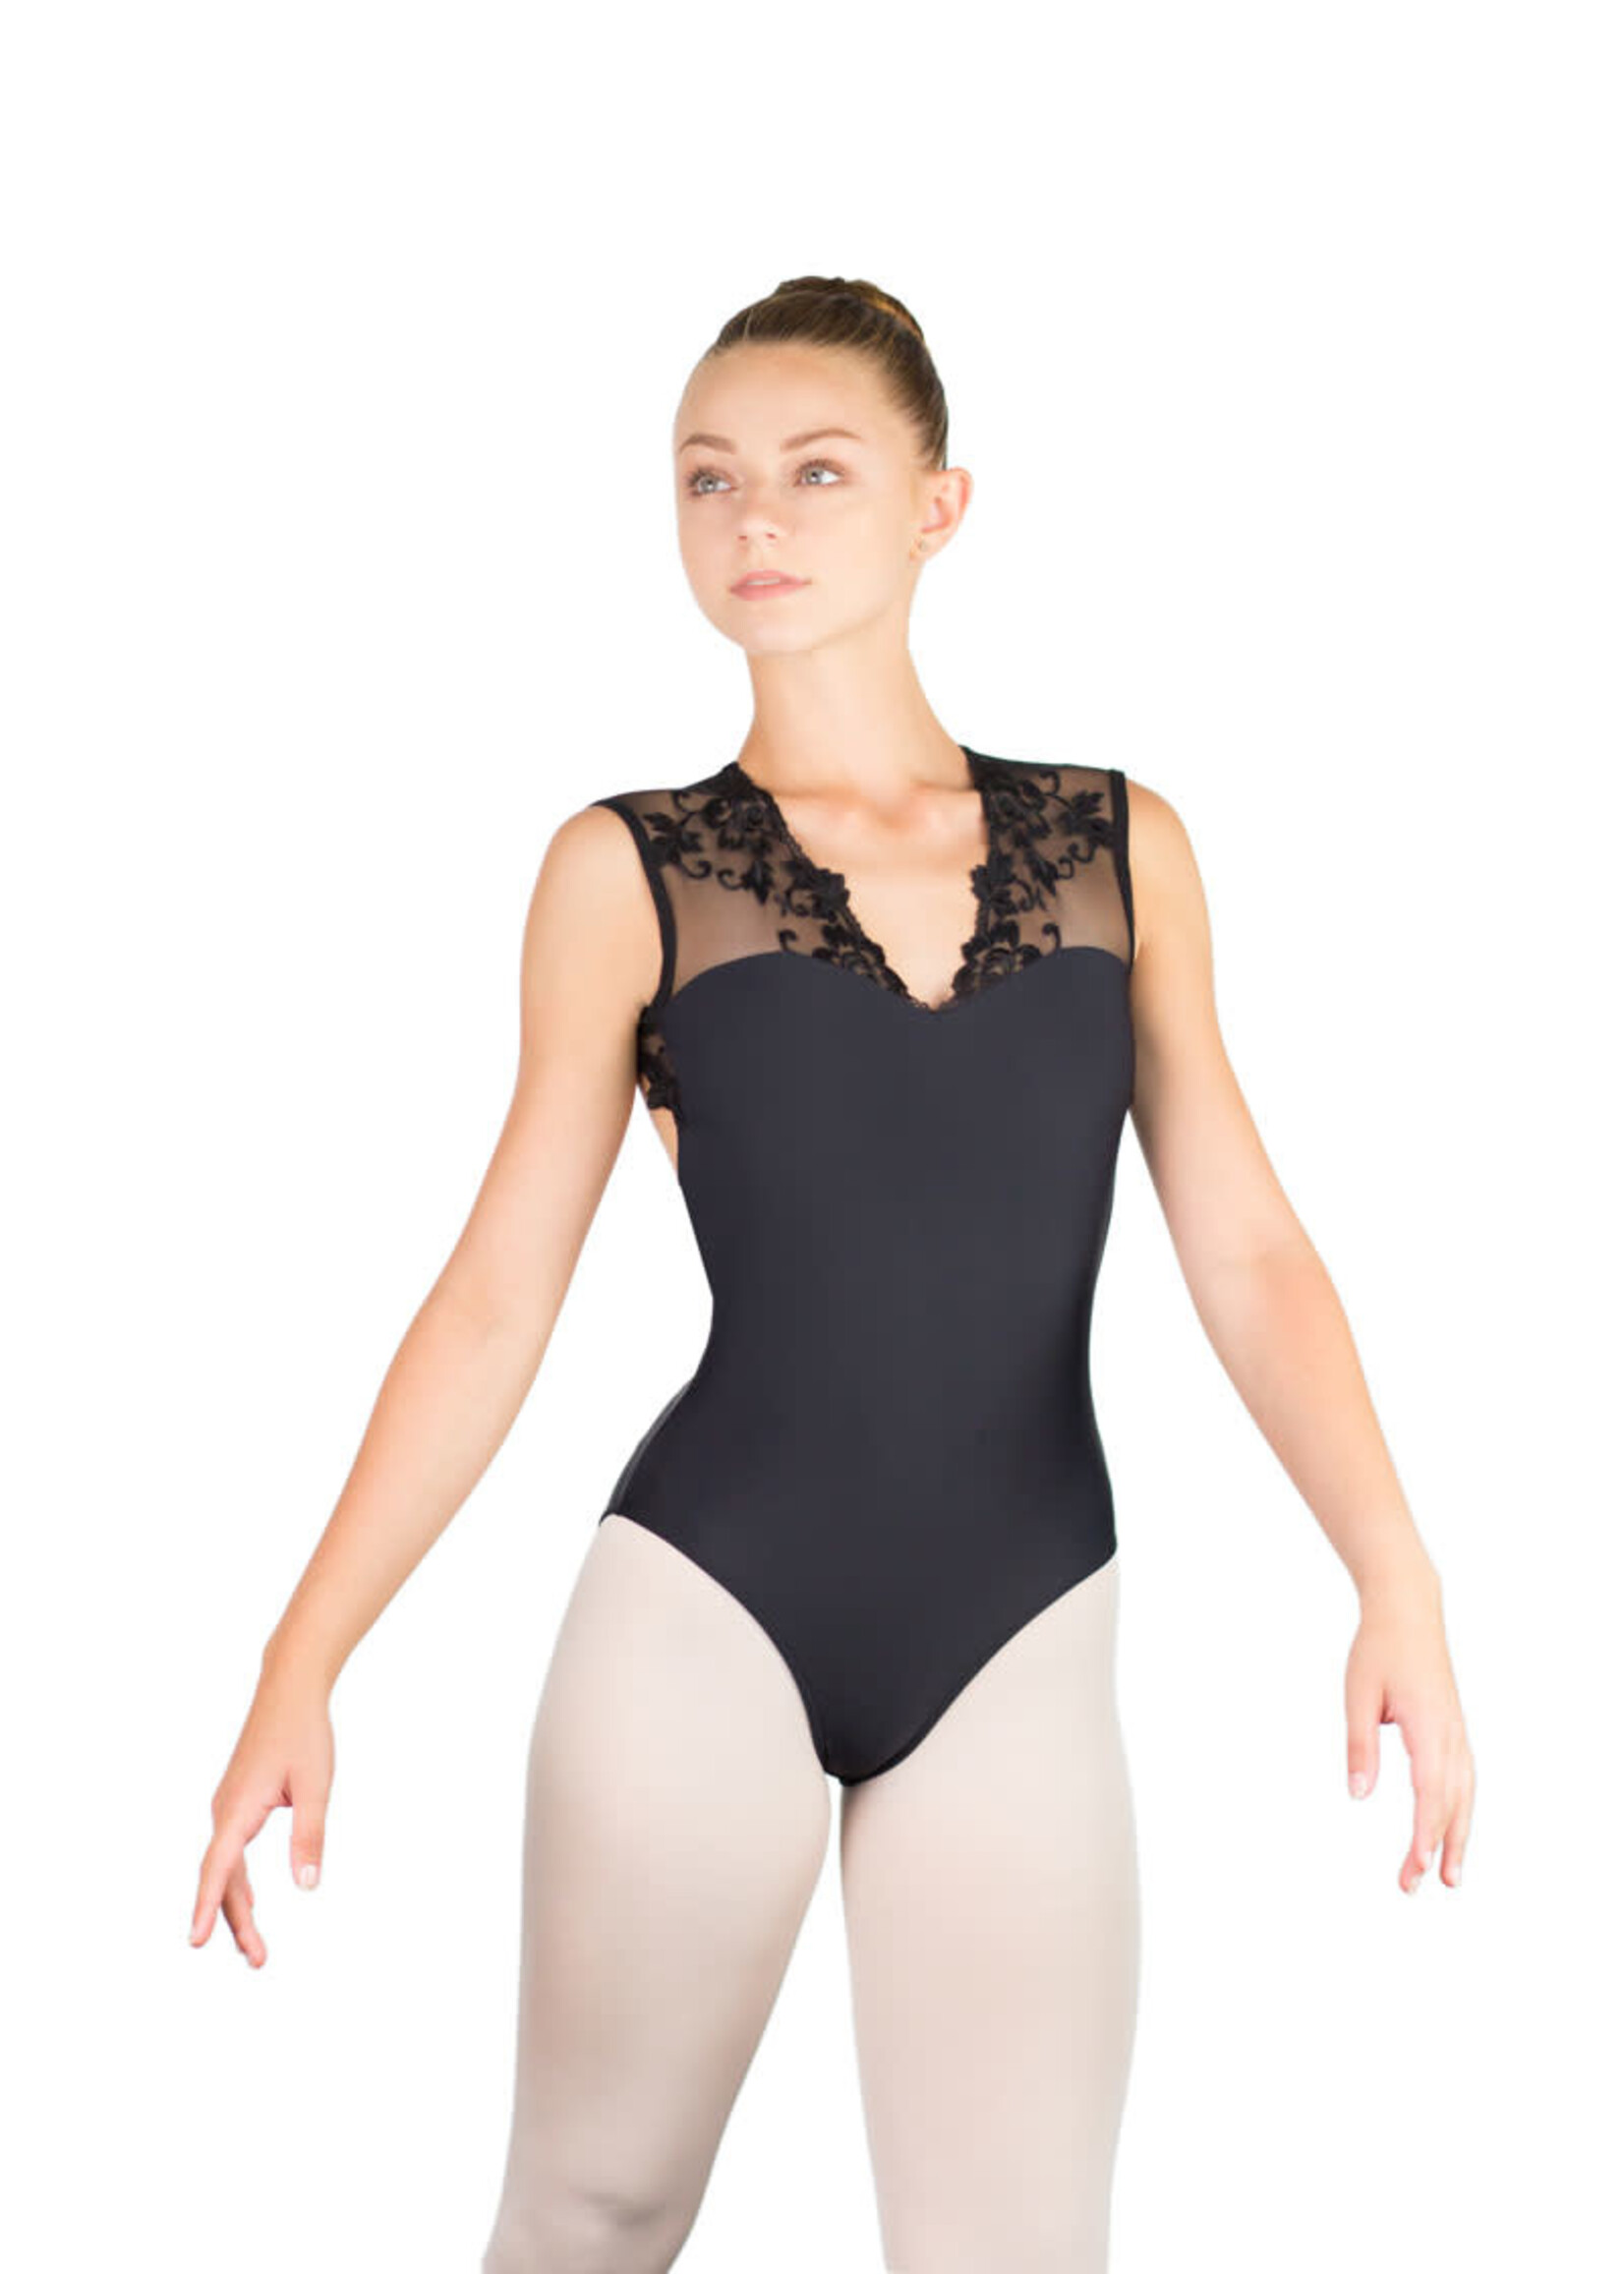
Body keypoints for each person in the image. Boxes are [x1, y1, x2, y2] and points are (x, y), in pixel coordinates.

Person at [189, 274, 1476, 2274]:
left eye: (815, 472)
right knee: (594, 2209)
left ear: (939, 504)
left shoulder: (1120, 848)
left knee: (1015, 2249)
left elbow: (1246, 1239)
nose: (754, 521)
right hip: (710, 1600)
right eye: (707, 479)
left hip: (1024, 1612)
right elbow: (496, 1294)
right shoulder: (628, 870)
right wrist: (304, 1655)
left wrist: (1393, 1570)